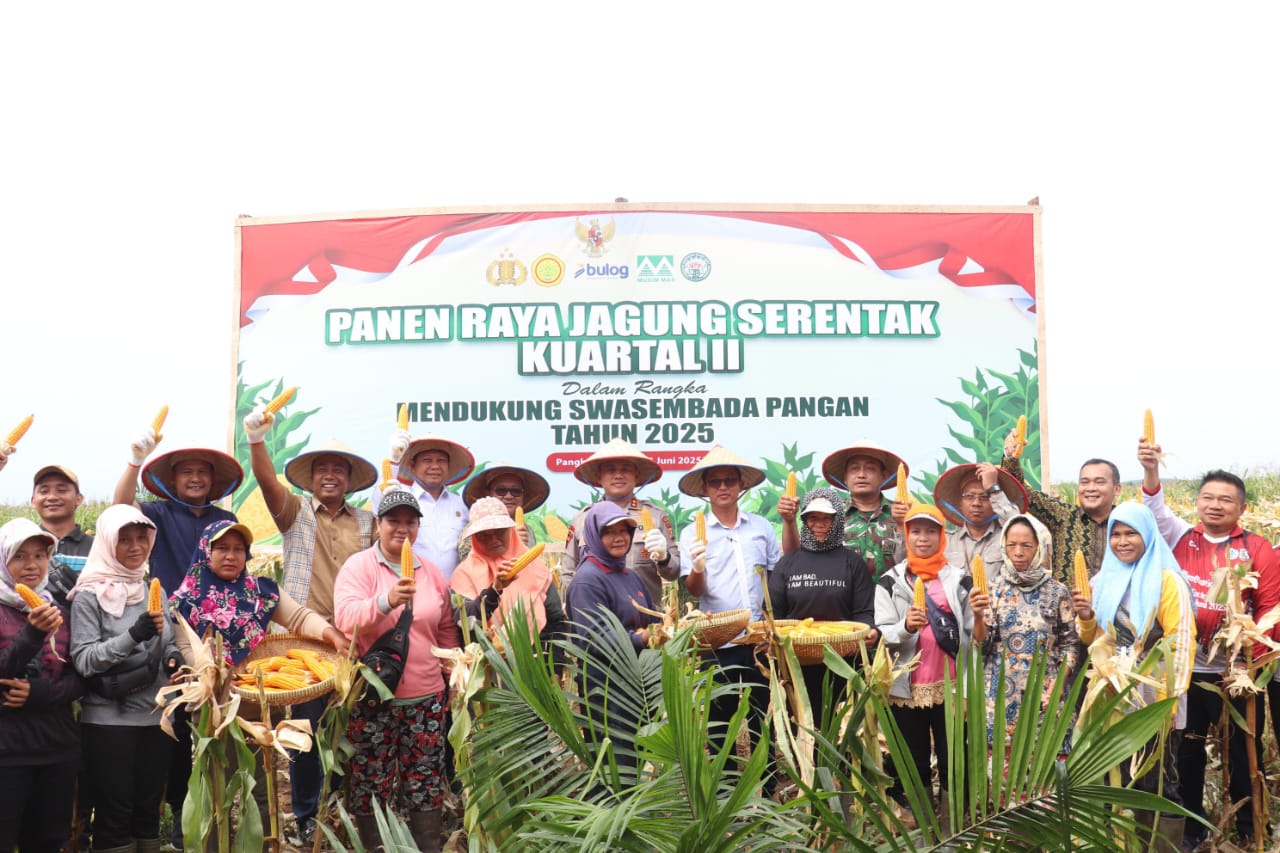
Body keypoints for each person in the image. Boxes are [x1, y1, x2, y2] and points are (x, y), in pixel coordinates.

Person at [244, 412, 378, 846]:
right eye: (323, 468)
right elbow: (267, 483)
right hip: (306, 639)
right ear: (312, 477)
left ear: (349, 479)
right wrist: (256, 440)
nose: (330, 475)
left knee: (349, 728)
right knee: (306, 730)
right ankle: (305, 813)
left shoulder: (367, 522)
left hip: (354, 638)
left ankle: (338, 807)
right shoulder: (295, 513)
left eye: (339, 468)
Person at [1137, 443, 1279, 850]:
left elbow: (1269, 610)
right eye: (1208, 497)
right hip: (1188, 671)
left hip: (1237, 674)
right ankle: (1192, 828)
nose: (1215, 505)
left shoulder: (1257, 549)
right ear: (1197, 502)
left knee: (1244, 752)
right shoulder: (1181, 536)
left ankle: (1251, 828)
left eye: (1226, 500)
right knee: (1188, 752)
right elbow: (1154, 507)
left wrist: (1252, 665)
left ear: (1242, 508)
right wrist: (1150, 469)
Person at [115, 433, 242, 849]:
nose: (195, 478)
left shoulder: (224, 518)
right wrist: (135, 461)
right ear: (171, 480)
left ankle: (216, 813)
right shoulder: (157, 513)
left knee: (216, 730)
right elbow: (120, 508)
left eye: (202, 471)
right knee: (176, 733)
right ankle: (180, 817)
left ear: (214, 480)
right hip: (171, 633)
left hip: (218, 639)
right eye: (186, 471)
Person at [333, 489, 460, 853]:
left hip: (426, 697)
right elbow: (345, 618)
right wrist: (385, 601)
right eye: (393, 521)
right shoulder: (359, 567)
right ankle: (376, 846)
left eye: (410, 521)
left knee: (425, 782)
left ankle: (426, 846)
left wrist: (452, 678)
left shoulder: (431, 572)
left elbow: (445, 629)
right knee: (370, 782)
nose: (402, 529)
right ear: (378, 524)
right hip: (374, 697)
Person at [1072, 502, 1195, 853]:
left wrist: (1168, 702)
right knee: (1117, 778)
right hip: (1111, 696)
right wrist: (1086, 617)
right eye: (1116, 534)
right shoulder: (1101, 581)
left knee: (1157, 783)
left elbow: (1182, 640)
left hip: (1155, 697)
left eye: (1131, 534)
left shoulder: (1167, 581)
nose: (1123, 542)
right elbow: (1093, 639)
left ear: (1149, 536)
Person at [69, 505, 178, 853]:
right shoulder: (88, 596)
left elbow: (167, 641)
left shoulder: (151, 589)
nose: (135, 547)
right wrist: (133, 635)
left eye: (141, 538)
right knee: (115, 815)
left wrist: (174, 657)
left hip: (156, 719)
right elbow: (85, 660)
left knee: (148, 812)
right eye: (125, 540)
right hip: (109, 723)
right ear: (107, 543)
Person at [678, 445, 781, 792]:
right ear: (705, 489)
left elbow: (774, 576)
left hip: (756, 639)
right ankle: (725, 790)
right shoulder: (693, 533)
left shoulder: (761, 527)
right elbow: (694, 589)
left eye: (729, 481)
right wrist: (697, 567)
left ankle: (767, 786)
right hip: (717, 638)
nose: (723, 487)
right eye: (715, 482)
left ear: (741, 486)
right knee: (719, 717)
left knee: (761, 714)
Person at [875, 504, 975, 814]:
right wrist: (905, 627)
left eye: (931, 531)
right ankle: (921, 819)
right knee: (913, 757)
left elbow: (973, 632)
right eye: (916, 531)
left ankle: (954, 820)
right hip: (906, 688)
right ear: (906, 535)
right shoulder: (890, 581)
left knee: (953, 756)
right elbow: (882, 632)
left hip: (951, 685)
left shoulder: (960, 580)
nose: (922, 538)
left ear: (942, 536)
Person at [0, 518, 83, 853]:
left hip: (56, 748)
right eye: (19, 556)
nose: (31, 565)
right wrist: (32, 634)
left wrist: (40, 693)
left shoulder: (60, 611)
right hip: (8, 753)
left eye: (39, 555)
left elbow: (81, 679)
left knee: (48, 842)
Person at [563, 501, 661, 780]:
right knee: (616, 766)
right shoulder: (587, 580)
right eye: (609, 532)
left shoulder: (630, 575)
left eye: (624, 531)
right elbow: (595, 638)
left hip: (637, 683)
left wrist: (673, 626)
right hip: (607, 690)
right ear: (594, 536)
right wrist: (641, 638)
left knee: (639, 760)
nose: (619, 538)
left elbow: (652, 618)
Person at [768, 487, 877, 728]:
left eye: (826, 519)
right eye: (812, 518)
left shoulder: (852, 562)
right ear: (804, 521)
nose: (819, 524)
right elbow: (775, 614)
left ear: (837, 521)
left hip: (843, 662)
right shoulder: (788, 563)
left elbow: (863, 612)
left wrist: (870, 630)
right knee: (802, 729)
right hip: (796, 664)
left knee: (839, 729)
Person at [971, 514, 1082, 742]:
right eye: (1011, 545)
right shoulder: (992, 590)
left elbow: (1070, 644)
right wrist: (977, 616)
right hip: (999, 696)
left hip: (1045, 693)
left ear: (1039, 547)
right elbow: (982, 647)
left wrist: (1059, 684)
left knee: (1044, 759)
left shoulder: (1057, 592)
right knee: (1001, 762)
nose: (1018, 552)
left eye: (1026, 545)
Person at [562, 438, 679, 604]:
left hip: (647, 614)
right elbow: (568, 574)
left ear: (636, 475)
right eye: (610, 470)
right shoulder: (583, 519)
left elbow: (674, 572)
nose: (618, 475)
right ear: (598, 476)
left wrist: (663, 557)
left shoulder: (655, 516)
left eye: (625, 469)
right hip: (596, 614)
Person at [1001, 430, 1122, 585]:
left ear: (1117, 489)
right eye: (1084, 482)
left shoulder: (1126, 522)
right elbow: (1022, 492)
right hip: (1066, 601)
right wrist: (1010, 457)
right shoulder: (1063, 516)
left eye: (1099, 482)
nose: (1091, 488)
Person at [451, 497, 566, 647]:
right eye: (483, 535)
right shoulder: (464, 574)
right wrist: (494, 590)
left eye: (499, 531)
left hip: (536, 656)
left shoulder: (536, 567)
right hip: (487, 657)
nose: (493, 539)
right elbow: (466, 623)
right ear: (474, 538)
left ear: (511, 531)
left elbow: (555, 620)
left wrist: (554, 659)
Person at [795, 440, 909, 581]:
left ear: (883, 476)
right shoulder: (831, 515)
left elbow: (910, 564)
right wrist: (789, 521)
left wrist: (901, 525)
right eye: (854, 469)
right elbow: (804, 558)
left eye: (870, 469)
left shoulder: (902, 514)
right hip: (842, 594)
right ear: (845, 477)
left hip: (891, 594)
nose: (861, 475)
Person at [387, 430, 474, 582]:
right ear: (413, 465)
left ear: (448, 466)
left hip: (455, 590)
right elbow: (380, 499)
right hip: (412, 588)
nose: (435, 466)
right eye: (427, 460)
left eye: (441, 461)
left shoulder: (461, 504)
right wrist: (394, 460)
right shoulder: (401, 499)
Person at [932, 462, 1027, 577]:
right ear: (960, 504)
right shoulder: (945, 541)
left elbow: (1021, 529)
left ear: (994, 502)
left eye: (984, 497)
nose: (976, 503)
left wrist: (993, 489)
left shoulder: (1007, 540)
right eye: (969, 496)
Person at [31, 465, 95, 606]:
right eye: (44, 491)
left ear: (78, 499)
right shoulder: (20, 546)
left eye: (62, 490)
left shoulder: (97, 548)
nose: (52, 497)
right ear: (33, 501)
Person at [461, 462, 550, 549]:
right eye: (501, 490)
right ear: (488, 494)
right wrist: (512, 543)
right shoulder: (475, 529)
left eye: (516, 491)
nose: (509, 496)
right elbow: (470, 558)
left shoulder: (527, 530)